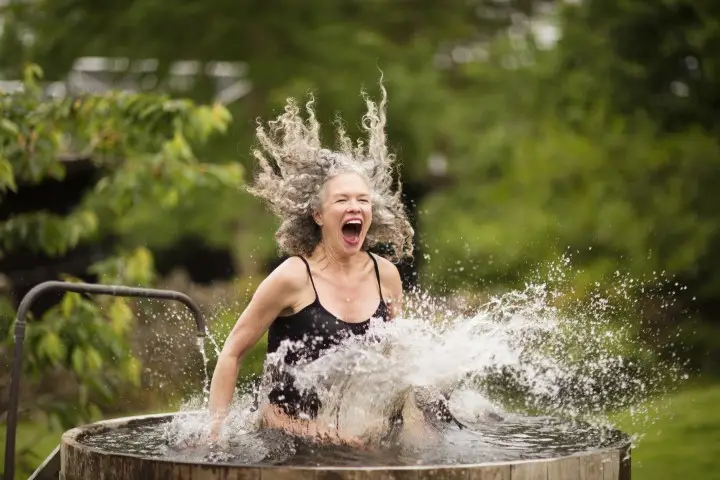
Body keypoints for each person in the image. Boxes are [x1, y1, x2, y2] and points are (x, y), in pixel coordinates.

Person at [208, 80, 454, 446]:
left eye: (363, 200)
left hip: (358, 439)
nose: (355, 207)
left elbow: (398, 368)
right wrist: (215, 435)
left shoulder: (386, 276)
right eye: (342, 200)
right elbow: (232, 352)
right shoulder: (292, 277)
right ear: (318, 215)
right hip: (287, 438)